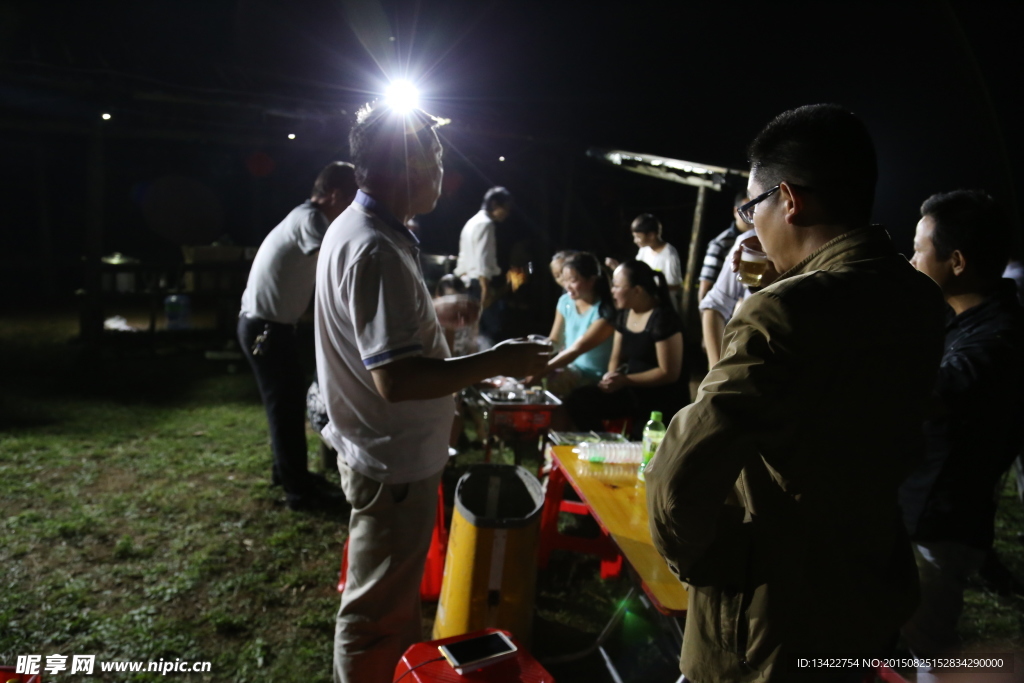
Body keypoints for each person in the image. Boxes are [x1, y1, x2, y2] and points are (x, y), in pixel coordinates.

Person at [645, 104, 948, 682]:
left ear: (788, 199)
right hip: (865, 592)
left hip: (766, 619)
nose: (751, 227)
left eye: (751, 207)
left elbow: (677, 476)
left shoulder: (782, 311)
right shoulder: (917, 299)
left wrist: (708, 563)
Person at [314, 101, 548, 683]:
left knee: (392, 609)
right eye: (437, 154)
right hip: (390, 459)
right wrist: (497, 358)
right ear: (410, 163)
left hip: (384, 450)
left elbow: (388, 345)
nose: (445, 167)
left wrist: (436, 325)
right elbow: (395, 379)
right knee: (374, 613)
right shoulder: (375, 247)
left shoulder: (369, 230)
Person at [899, 190, 1024, 658]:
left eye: (918, 249)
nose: (911, 261)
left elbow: (927, 394)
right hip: (922, 507)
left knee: (928, 646)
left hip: (941, 522)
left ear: (956, 261)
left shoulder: (999, 338)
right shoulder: (968, 317)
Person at [238, 161, 357, 511]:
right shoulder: (311, 219)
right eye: (352, 199)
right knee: (285, 409)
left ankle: (288, 473)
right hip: (265, 329)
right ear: (334, 195)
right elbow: (337, 258)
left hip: (269, 326)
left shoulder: (304, 217)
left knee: (287, 406)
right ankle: (298, 491)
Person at [564, 259, 687, 439]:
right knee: (578, 400)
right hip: (631, 391)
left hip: (661, 398)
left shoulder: (663, 319)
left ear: (637, 290)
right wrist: (611, 377)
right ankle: (604, 444)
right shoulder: (624, 315)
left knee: (642, 443)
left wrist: (625, 380)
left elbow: (668, 372)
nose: (612, 291)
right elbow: (616, 356)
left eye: (617, 286)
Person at [528, 252, 615, 395]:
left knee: (543, 387)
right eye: (564, 279)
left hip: (593, 377)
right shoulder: (565, 302)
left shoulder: (604, 311)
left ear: (591, 280)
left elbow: (576, 349)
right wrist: (530, 352)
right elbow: (555, 341)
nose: (567, 286)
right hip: (570, 369)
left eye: (573, 280)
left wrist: (543, 370)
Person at [454, 186, 513, 346]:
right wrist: (486, 289)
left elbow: (464, 258)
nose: (507, 213)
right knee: (491, 333)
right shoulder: (486, 224)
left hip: (471, 284)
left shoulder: (471, 222)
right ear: (494, 204)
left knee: (476, 332)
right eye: (505, 208)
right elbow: (483, 259)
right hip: (482, 285)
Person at [606, 213, 683, 311]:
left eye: (638, 237)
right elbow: (636, 273)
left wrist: (652, 288)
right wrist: (618, 269)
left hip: (663, 306)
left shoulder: (669, 255)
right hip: (646, 304)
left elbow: (676, 286)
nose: (635, 241)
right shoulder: (644, 250)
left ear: (651, 235)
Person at [697, 190, 755, 302]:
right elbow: (706, 286)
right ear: (735, 211)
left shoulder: (760, 241)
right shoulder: (720, 243)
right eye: (746, 210)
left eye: (753, 210)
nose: (750, 215)